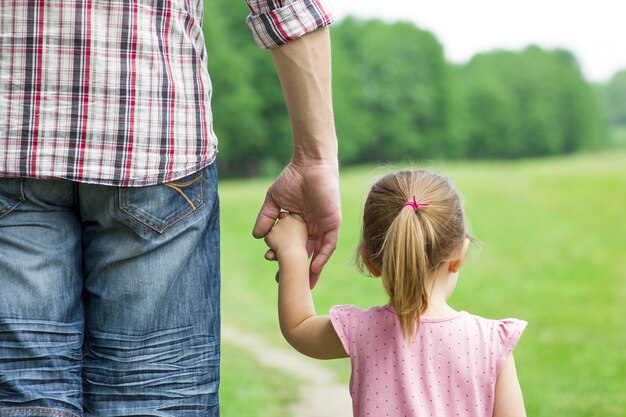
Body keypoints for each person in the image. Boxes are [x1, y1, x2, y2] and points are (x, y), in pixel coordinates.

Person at [0, 0, 339, 416]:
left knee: (20, 396)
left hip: (10, 135)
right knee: (156, 396)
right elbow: (287, 7)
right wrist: (315, 158)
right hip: (152, 135)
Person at [264, 169, 527, 417]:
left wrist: (293, 252)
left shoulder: (363, 330)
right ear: (459, 254)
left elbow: (298, 327)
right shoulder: (491, 343)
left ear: (370, 261)